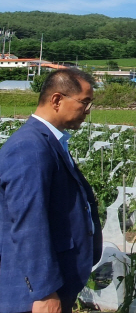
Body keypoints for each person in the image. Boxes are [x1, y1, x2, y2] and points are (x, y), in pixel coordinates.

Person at [0, 69, 102, 313]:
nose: (88, 110)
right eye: (85, 102)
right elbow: (29, 223)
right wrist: (45, 291)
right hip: (34, 297)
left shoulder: (49, 141)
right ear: (57, 100)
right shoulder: (30, 147)